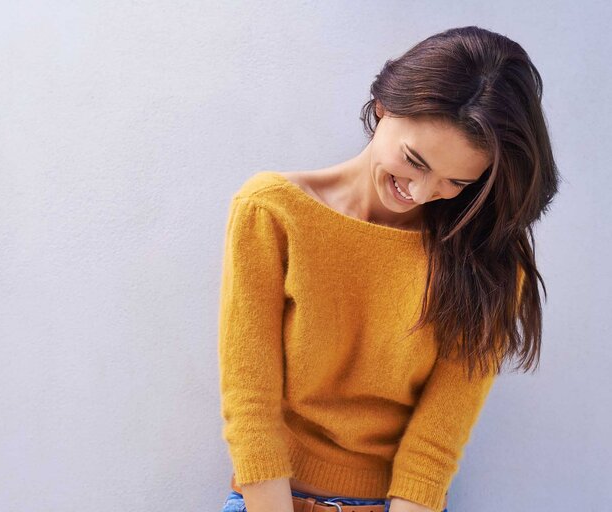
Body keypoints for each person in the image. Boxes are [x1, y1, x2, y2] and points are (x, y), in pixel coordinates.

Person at [217, 26, 559, 512]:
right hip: (267, 499)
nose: (420, 193)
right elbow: (250, 402)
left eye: (455, 182)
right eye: (414, 161)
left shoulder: (488, 258)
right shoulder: (272, 211)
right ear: (382, 105)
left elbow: (436, 444)